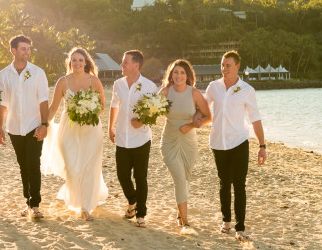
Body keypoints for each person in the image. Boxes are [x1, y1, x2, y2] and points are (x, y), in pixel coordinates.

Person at [202, 50, 267, 242]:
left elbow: (255, 119)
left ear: (237, 67)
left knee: (239, 185)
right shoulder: (214, 87)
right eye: (222, 65)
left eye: (228, 65)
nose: (224, 69)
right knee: (224, 183)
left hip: (239, 142)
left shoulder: (247, 90)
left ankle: (240, 228)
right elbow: (203, 109)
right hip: (218, 142)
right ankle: (226, 222)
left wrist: (262, 145)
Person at [41, 48, 109, 221]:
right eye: (74, 60)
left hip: (91, 129)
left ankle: (85, 207)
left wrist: (89, 113)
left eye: (80, 60)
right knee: (72, 167)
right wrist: (42, 124)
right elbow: (53, 109)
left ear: (86, 62)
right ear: (70, 63)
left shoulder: (94, 81)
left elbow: (102, 106)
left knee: (88, 167)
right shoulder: (63, 82)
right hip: (69, 129)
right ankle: (76, 200)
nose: (77, 63)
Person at [0, 35, 49, 219]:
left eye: (28, 49)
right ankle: (28, 202)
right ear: (14, 50)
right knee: (23, 165)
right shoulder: (3, 75)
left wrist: (44, 125)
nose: (27, 52)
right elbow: (2, 103)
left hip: (34, 126)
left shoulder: (38, 72)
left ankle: (35, 205)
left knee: (33, 163)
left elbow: (43, 101)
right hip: (14, 127)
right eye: (23, 49)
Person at [158, 59, 212, 233]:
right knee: (179, 179)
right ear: (171, 75)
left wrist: (191, 125)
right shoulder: (165, 92)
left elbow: (208, 117)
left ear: (188, 76)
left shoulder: (194, 93)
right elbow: (153, 112)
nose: (179, 75)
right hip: (169, 140)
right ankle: (186, 222)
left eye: (182, 73)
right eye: (176, 72)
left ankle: (180, 213)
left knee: (185, 179)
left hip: (189, 142)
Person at [109, 50, 157, 228]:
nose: (121, 65)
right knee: (122, 176)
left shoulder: (150, 86)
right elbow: (114, 106)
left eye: (125, 63)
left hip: (141, 139)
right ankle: (133, 200)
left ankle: (141, 215)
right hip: (121, 137)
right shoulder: (118, 84)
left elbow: (155, 111)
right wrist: (110, 128)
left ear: (136, 65)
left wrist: (143, 120)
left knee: (140, 177)